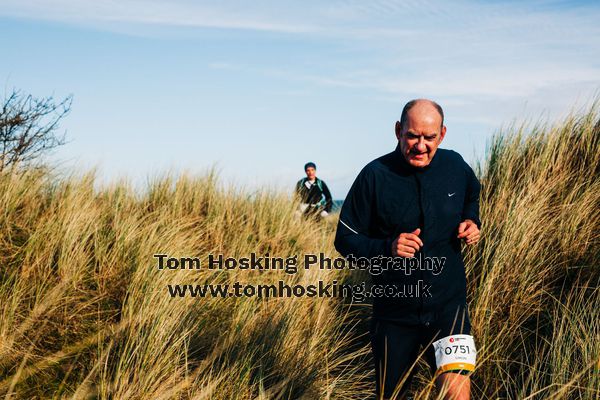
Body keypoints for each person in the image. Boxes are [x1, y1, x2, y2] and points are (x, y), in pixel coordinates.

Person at [334, 99, 481, 400]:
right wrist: (387, 247)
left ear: (442, 134)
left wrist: (471, 220)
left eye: (429, 137)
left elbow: (471, 195)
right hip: (394, 315)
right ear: (398, 131)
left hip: (449, 309)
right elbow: (344, 240)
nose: (420, 145)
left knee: (457, 394)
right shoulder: (374, 176)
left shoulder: (456, 166)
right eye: (413, 136)